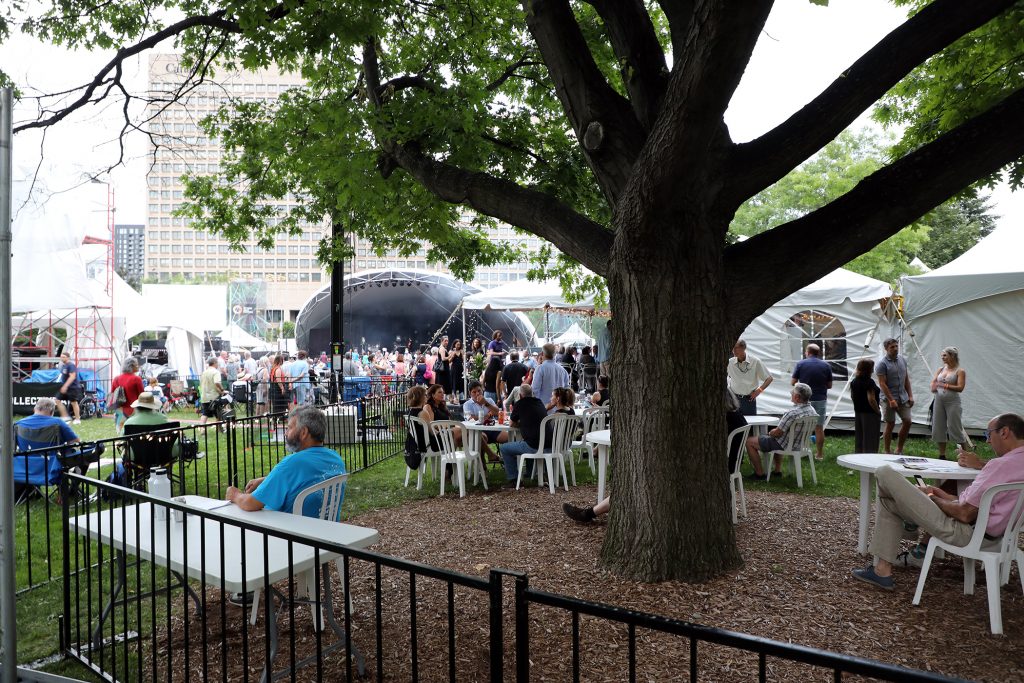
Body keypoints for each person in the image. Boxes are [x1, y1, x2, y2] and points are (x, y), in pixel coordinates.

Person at [851, 413, 1024, 590]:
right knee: (890, 502)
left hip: (965, 532)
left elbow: (964, 514)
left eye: (988, 434)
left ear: (1004, 432)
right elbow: (977, 504)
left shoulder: (999, 466)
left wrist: (932, 498)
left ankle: (908, 524)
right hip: (994, 537)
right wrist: (939, 493)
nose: (987, 441)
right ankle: (882, 570)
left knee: (884, 472)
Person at [566, 388, 745, 523]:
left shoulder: (720, 421)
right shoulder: (737, 417)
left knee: (646, 477)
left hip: (714, 471)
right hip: (730, 466)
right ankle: (593, 512)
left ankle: (591, 513)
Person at [226, 406, 348, 516]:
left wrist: (235, 495)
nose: (285, 433)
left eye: (289, 428)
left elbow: (250, 503)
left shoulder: (292, 464)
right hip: (323, 530)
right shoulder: (335, 458)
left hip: (289, 534)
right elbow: (310, 478)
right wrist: (266, 479)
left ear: (304, 432)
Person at [744, 383, 817, 479]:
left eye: (792, 392)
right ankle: (777, 471)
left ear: (797, 397)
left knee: (749, 441)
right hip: (801, 444)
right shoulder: (812, 410)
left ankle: (759, 473)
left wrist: (770, 433)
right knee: (776, 438)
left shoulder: (792, 413)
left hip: (785, 444)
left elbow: (778, 432)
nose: (791, 393)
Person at [497, 384, 549, 486]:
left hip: (534, 445)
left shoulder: (520, 404)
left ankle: (514, 480)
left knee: (504, 448)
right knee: (528, 440)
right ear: (532, 394)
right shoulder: (539, 402)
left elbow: (511, 424)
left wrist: (521, 424)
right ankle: (529, 473)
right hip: (548, 444)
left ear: (520, 396)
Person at [791, 343, 832, 461]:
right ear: (818, 353)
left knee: (801, 426)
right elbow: (829, 385)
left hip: (803, 400)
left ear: (807, 352)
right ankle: (819, 454)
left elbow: (793, 382)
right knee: (819, 427)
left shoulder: (801, 364)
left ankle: (801, 450)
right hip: (820, 399)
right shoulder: (826, 365)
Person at [930, 346, 971, 459]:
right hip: (939, 400)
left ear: (952, 356)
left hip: (952, 401)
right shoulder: (940, 369)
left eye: (945, 355)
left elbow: (960, 387)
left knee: (954, 426)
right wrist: (933, 387)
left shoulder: (960, 371)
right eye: (942, 355)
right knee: (938, 426)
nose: (942, 357)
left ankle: (965, 453)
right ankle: (942, 454)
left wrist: (945, 385)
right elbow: (933, 382)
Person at [876, 338, 915, 455]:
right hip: (888, 398)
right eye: (892, 347)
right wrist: (891, 400)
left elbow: (906, 379)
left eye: (896, 346)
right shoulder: (882, 364)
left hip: (902, 397)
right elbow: (882, 383)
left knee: (907, 421)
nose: (895, 349)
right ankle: (887, 450)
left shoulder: (902, 360)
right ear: (886, 349)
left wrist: (911, 396)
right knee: (890, 423)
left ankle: (899, 448)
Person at [462, 381, 509, 461]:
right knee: (481, 437)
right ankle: (486, 460)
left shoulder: (489, 400)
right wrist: (489, 414)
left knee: (510, 437)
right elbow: (472, 418)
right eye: (474, 392)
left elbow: (498, 413)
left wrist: (485, 403)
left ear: (482, 390)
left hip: (492, 429)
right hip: (478, 431)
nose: (477, 393)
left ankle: (509, 461)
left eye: (479, 391)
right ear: (470, 394)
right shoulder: (467, 404)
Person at [727, 340, 774, 416]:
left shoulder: (755, 361)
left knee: (750, 424)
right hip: (734, 399)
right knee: (735, 425)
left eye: (736, 348)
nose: (733, 350)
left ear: (744, 348)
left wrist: (758, 391)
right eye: (733, 348)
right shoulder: (730, 362)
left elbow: (769, 379)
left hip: (748, 399)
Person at [850, 359, 881, 454]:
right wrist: (877, 411)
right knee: (870, 437)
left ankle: (858, 456)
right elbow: (871, 399)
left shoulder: (854, 381)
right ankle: (869, 457)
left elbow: (852, 396)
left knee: (860, 436)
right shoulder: (869, 382)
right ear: (869, 369)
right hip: (869, 413)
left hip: (858, 412)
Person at [111, 357, 145, 434]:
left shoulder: (116, 379)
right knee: (134, 434)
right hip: (134, 411)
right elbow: (142, 395)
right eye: (137, 365)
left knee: (121, 434)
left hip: (119, 411)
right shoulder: (136, 379)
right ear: (132, 366)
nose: (138, 366)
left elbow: (112, 394)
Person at [531, 343, 570, 410]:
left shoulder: (540, 369)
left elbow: (534, 390)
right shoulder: (563, 370)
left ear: (542, 353)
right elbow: (567, 391)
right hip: (560, 412)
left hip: (544, 410)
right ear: (555, 354)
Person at [54, 351, 82, 424]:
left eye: (63, 357)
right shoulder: (64, 366)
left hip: (73, 387)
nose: (62, 358)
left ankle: (78, 419)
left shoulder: (71, 365)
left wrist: (65, 386)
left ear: (68, 358)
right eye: (61, 357)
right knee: (57, 400)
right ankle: (65, 416)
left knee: (73, 402)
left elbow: (72, 376)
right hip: (65, 387)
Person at [199, 357, 224, 426]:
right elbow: (217, 383)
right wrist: (222, 390)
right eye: (217, 363)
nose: (218, 365)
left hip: (204, 396)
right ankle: (219, 429)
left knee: (205, 413)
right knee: (218, 413)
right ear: (214, 363)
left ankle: (202, 429)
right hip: (213, 396)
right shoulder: (215, 372)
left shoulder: (204, 372)